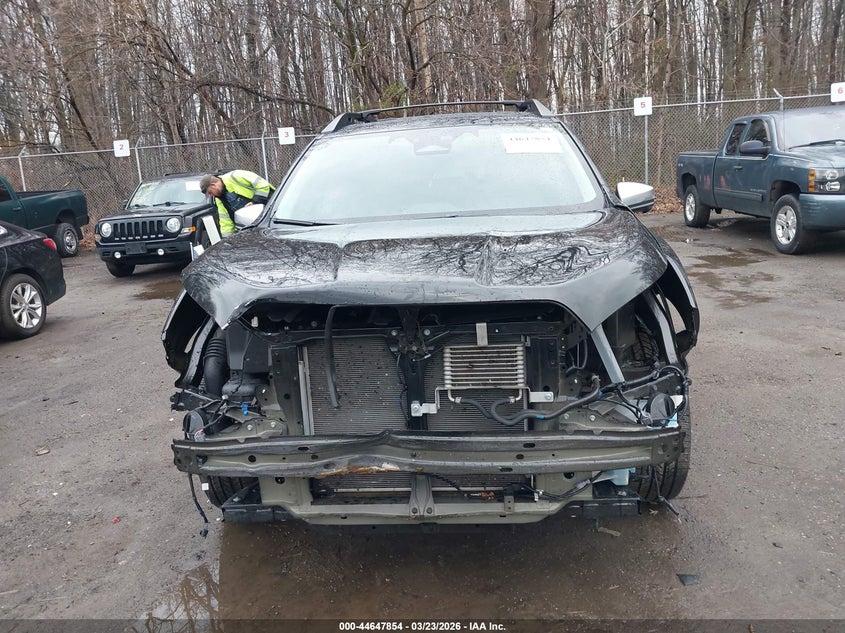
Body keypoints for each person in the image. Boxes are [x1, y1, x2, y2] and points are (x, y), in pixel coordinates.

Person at [199, 170, 275, 236]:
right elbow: (226, 222)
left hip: (273, 213)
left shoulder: (236, 176)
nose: (211, 195)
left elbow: (262, 185)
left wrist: (255, 202)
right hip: (254, 227)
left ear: (213, 185)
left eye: (210, 192)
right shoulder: (219, 200)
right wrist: (227, 242)